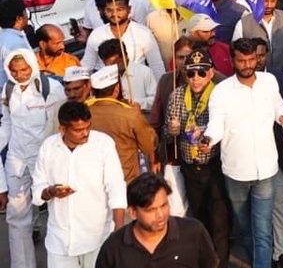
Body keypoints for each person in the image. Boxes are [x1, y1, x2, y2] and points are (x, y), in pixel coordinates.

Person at [201, 38, 283, 268]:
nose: (248, 64)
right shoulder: (221, 91)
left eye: (252, 59)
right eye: (242, 60)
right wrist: (207, 140)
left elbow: (278, 106)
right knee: (242, 227)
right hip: (236, 170)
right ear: (232, 61)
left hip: (267, 168)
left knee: (262, 229)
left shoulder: (269, 81)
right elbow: (216, 124)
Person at [32, 101, 128, 268]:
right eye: (78, 130)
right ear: (62, 129)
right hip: (60, 240)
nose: (85, 134)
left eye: (87, 127)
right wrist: (51, 192)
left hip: (97, 237)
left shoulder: (103, 144)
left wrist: (118, 230)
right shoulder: (48, 147)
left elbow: (115, 186)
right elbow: (37, 190)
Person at [163, 50, 231, 265]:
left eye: (201, 73)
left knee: (220, 222)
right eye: (190, 74)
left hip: (215, 166)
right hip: (190, 167)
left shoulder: (220, 94)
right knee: (199, 219)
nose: (196, 79)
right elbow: (166, 132)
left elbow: (228, 129)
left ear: (211, 73)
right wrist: (171, 130)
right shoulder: (176, 95)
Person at [1, 47, 67, 266]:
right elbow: (8, 123)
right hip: (17, 159)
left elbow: (60, 125)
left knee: (57, 212)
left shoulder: (52, 88)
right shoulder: (8, 89)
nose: (20, 74)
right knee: (16, 216)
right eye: (15, 70)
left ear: (32, 65)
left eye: (24, 69)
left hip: (45, 158)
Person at [95, 171, 220, 268]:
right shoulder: (114, 247)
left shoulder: (193, 232)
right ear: (133, 212)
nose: (161, 215)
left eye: (164, 205)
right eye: (151, 210)